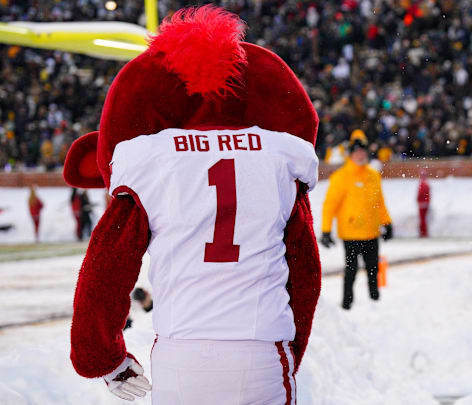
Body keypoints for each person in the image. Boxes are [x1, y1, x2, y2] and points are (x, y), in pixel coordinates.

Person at [64, 6, 322, 404]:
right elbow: (304, 273)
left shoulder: (152, 161)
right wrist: (292, 346)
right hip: (259, 344)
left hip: (179, 350)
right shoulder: (278, 157)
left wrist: (103, 357)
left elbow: (107, 267)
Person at [321, 131, 393, 310]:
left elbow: (380, 203)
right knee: (351, 270)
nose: (360, 155)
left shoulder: (373, 175)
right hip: (351, 233)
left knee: (373, 269)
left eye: (363, 151)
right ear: (351, 154)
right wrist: (326, 230)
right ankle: (347, 303)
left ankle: (374, 300)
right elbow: (330, 205)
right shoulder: (341, 177)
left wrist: (387, 222)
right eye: (357, 152)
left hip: (371, 232)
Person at [417, 170, 431, 238]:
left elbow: (421, 194)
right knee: (423, 219)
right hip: (424, 203)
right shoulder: (426, 184)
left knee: (422, 219)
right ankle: (423, 232)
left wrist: (419, 200)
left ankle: (423, 232)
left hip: (422, 204)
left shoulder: (423, 184)